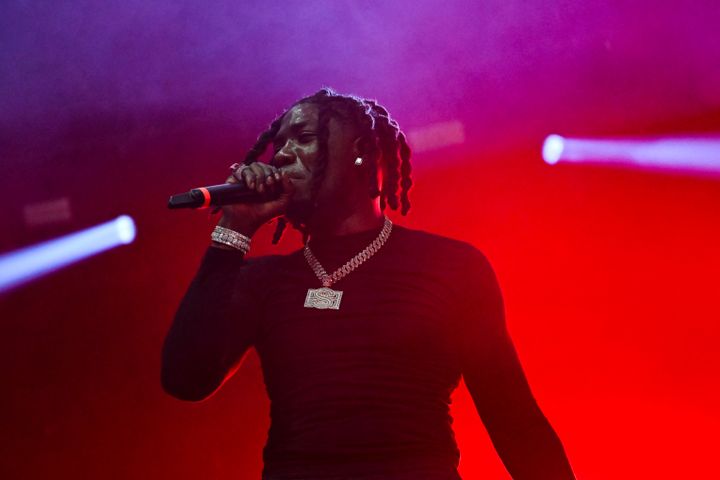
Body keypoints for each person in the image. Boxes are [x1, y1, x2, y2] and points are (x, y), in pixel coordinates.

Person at [161, 88, 576, 480]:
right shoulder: (265, 279)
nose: (283, 154)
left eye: (304, 137)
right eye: (280, 144)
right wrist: (234, 232)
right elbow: (185, 380)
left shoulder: (451, 267)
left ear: (360, 153)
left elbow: (515, 422)